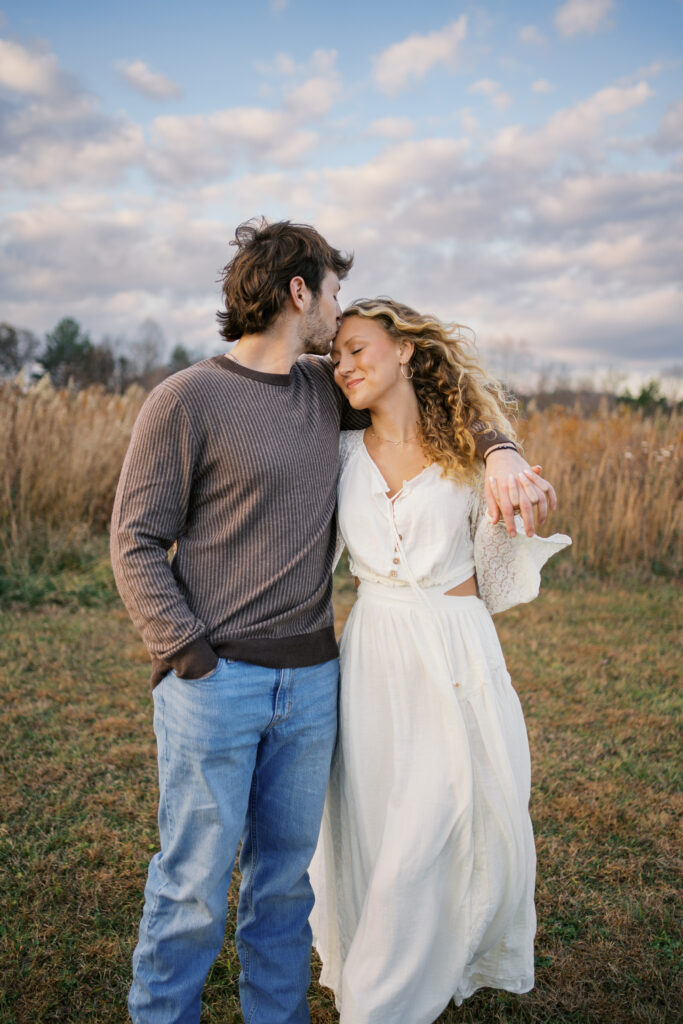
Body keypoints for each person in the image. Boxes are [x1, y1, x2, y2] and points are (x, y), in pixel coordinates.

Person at [110, 218, 556, 1024]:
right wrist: (186, 653)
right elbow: (134, 539)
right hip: (215, 682)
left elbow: (435, 405)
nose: (340, 312)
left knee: (285, 883)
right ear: (299, 291)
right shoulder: (186, 398)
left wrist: (500, 449)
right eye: (333, 290)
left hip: (315, 681)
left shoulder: (324, 390)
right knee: (193, 884)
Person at [309, 298, 571, 1024]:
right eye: (336, 356)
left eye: (358, 348)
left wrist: (511, 488)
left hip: (455, 647)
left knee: (436, 822)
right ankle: (384, 965)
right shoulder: (337, 451)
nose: (344, 366)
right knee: (376, 822)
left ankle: (380, 1004)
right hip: (371, 652)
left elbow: (497, 579)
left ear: (405, 350)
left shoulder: (470, 453)